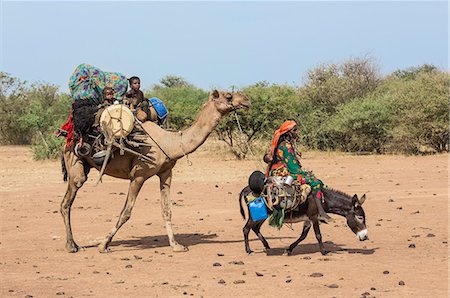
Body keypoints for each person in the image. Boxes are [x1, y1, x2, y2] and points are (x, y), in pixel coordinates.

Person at [264, 120, 333, 223]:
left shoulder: (285, 144)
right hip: (283, 173)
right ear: (288, 132)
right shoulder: (286, 146)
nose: (297, 132)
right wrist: (304, 173)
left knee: (312, 178)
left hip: (283, 171)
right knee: (315, 182)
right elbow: (293, 167)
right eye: (294, 130)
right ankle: (321, 212)